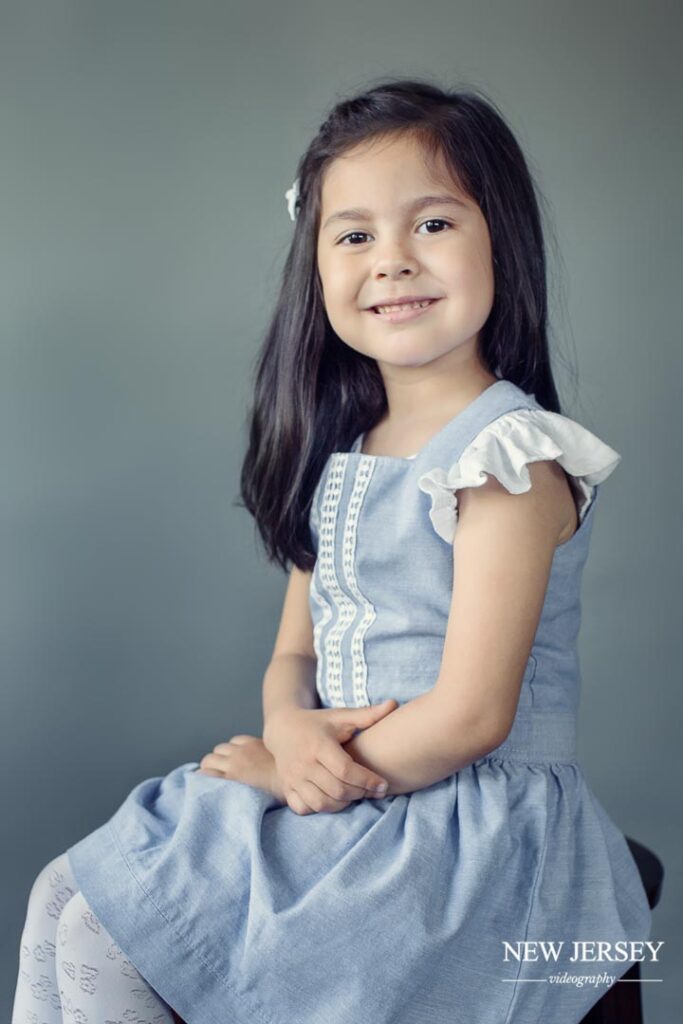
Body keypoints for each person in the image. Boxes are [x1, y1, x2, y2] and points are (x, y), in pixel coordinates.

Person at [11, 77, 652, 1024]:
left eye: (431, 224)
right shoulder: (344, 455)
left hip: (462, 827)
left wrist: (292, 775)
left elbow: (472, 717)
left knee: (115, 930)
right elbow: (294, 657)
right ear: (315, 267)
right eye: (353, 236)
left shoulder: (506, 460)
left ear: (501, 241)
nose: (391, 261)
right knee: (69, 893)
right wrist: (287, 731)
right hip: (352, 789)